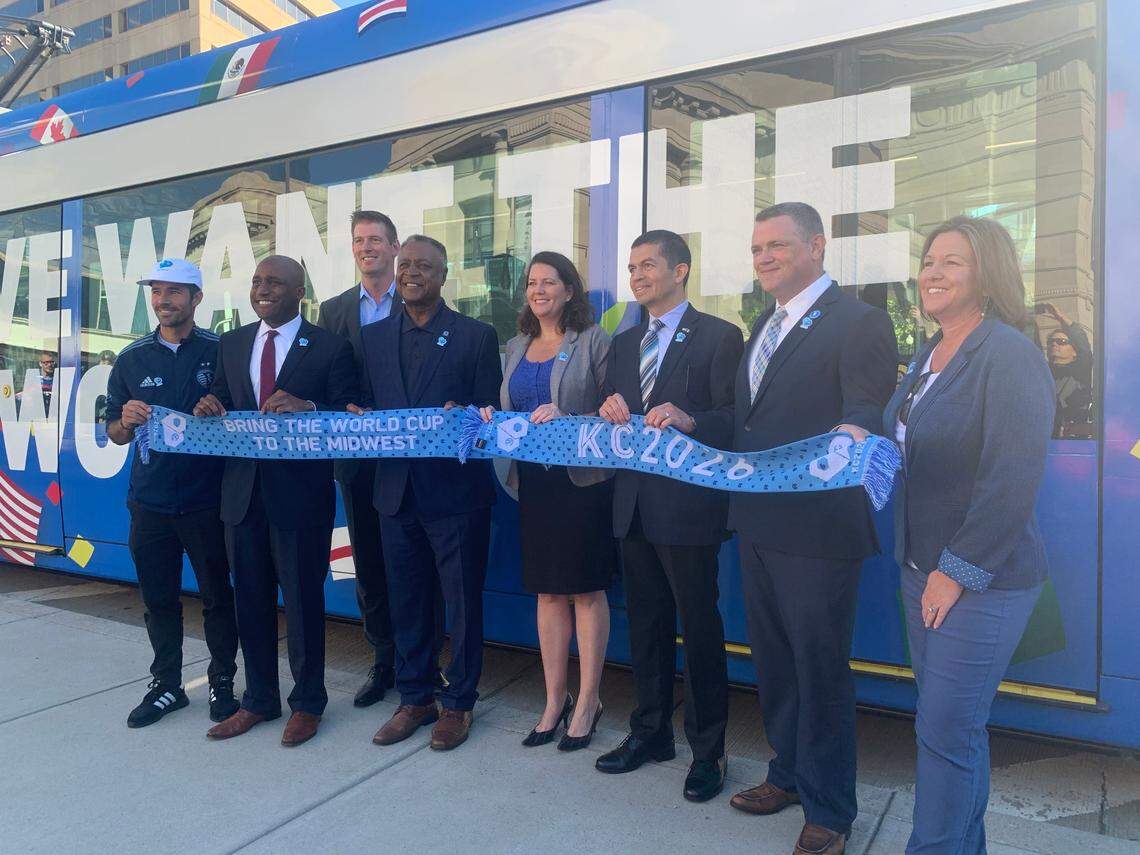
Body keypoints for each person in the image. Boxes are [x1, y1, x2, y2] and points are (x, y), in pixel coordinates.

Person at [844, 216, 1053, 853]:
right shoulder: (931, 352)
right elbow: (918, 445)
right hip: (920, 568)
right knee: (952, 732)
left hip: (977, 579)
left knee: (945, 732)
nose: (932, 273)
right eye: (928, 260)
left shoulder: (1008, 354)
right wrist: (866, 440)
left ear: (987, 275)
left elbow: (1011, 478)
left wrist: (954, 571)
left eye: (951, 262)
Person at [729, 203, 897, 855]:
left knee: (819, 667)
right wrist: (686, 420)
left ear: (817, 246)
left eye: (776, 245)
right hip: (758, 521)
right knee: (774, 662)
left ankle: (829, 809)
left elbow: (868, 405)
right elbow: (749, 423)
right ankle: (789, 773)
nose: (764, 257)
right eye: (756, 248)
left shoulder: (859, 320)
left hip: (819, 531)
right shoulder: (762, 325)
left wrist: (858, 429)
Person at [595, 230, 743, 803]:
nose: (637, 275)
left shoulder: (720, 336)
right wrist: (608, 407)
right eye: (632, 267)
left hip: (688, 510)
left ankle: (708, 751)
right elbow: (613, 411)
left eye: (648, 265)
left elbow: (734, 418)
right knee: (647, 626)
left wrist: (691, 419)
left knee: (699, 628)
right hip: (632, 506)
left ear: (680, 271)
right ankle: (650, 733)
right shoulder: (625, 343)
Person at [196, 255, 358, 747]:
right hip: (242, 496)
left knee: (303, 603)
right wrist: (210, 407)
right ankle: (259, 699)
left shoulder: (329, 347)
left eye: (275, 283)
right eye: (257, 282)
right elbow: (223, 402)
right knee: (250, 601)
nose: (262, 289)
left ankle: (308, 703)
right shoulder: (232, 343)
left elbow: (349, 414)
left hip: (300, 498)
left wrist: (308, 407)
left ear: (299, 293)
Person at [361, 235, 501, 752]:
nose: (411, 273)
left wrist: (467, 416)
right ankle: (414, 698)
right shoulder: (372, 337)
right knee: (407, 601)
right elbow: (360, 402)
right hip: (394, 493)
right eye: (405, 265)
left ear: (444, 276)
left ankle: (459, 703)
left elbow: (490, 412)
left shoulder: (476, 336)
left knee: (462, 604)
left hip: (456, 494)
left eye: (423, 266)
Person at [479, 251, 615, 751]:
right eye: (532, 283)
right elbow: (511, 409)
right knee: (547, 594)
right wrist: (492, 418)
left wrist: (569, 418)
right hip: (533, 485)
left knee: (586, 591)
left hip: (582, 485)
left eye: (549, 282)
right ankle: (555, 700)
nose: (538, 291)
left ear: (569, 290)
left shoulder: (594, 340)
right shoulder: (516, 345)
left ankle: (589, 701)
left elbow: (616, 413)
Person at [317, 209, 446, 707]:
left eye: (375, 239)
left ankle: (427, 661)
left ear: (394, 248)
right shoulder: (334, 310)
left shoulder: (419, 299)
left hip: (412, 459)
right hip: (358, 461)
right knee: (369, 564)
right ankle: (384, 659)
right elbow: (327, 378)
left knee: (419, 566)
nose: (366, 247)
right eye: (358, 240)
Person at [105, 258, 239, 728]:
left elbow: (245, 420)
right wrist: (126, 421)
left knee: (218, 598)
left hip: (209, 502)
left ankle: (223, 682)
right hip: (150, 503)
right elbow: (114, 432)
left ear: (196, 298)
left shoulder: (222, 352)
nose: (164, 301)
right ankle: (167, 685)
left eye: (174, 291)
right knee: (159, 600)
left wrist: (220, 409)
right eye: (157, 291)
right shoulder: (131, 358)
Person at [1037, 303, 1093, 438]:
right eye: (1051, 341)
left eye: (1061, 341)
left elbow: (1083, 345)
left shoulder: (1080, 371)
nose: (1054, 344)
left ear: (1075, 352)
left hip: (1069, 441)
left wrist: (1061, 317)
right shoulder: (1041, 373)